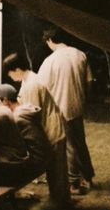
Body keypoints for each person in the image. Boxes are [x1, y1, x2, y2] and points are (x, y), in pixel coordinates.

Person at [3, 52, 70, 204]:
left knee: (57, 172)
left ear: (17, 69)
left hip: (52, 130)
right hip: (50, 128)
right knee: (55, 170)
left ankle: (61, 205)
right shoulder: (28, 81)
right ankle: (60, 203)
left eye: (11, 74)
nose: (11, 78)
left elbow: (30, 114)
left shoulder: (32, 84)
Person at [38, 28, 96, 195]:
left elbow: (41, 88)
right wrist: (83, 99)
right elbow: (89, 81)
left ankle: (74, 183)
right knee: (80, 143)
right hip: (77, 106)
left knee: (69, 146)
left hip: (60, 109)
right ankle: (89, 177)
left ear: (49, 40)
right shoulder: (80, 55)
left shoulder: (50, 62)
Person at [0, 83, 52, 182]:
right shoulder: (25, 110)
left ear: (5, 101)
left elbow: (7, 140)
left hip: (35, 162)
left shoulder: (17, 118)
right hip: (44, 157)